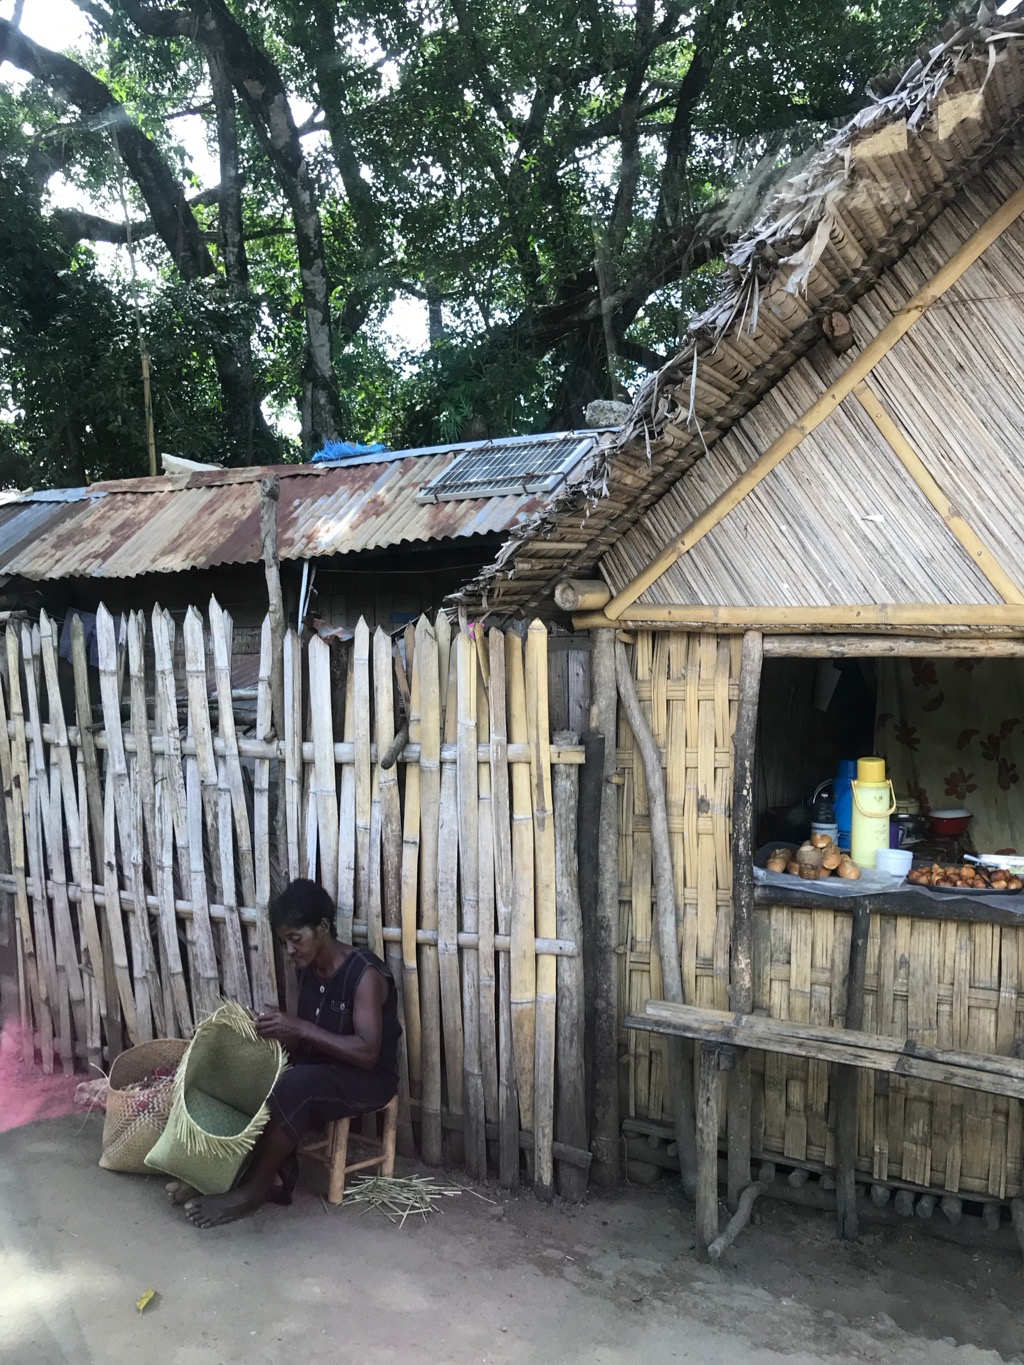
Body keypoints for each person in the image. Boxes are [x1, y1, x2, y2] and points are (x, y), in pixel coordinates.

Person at [184, 879, 401, 1229]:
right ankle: (274, 1177)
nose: (289, 950)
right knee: (265, 1075)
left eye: (295, 939)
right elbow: (304, 1043)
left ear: (323, 928)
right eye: (284, 941)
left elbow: (367, 1052)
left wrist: (300, 1028)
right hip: (324, 1071)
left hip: (369, 1080)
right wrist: (269, 1033)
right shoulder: (310, 972)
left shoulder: (364, 973)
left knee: (298, 1084)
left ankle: (252, 1193)